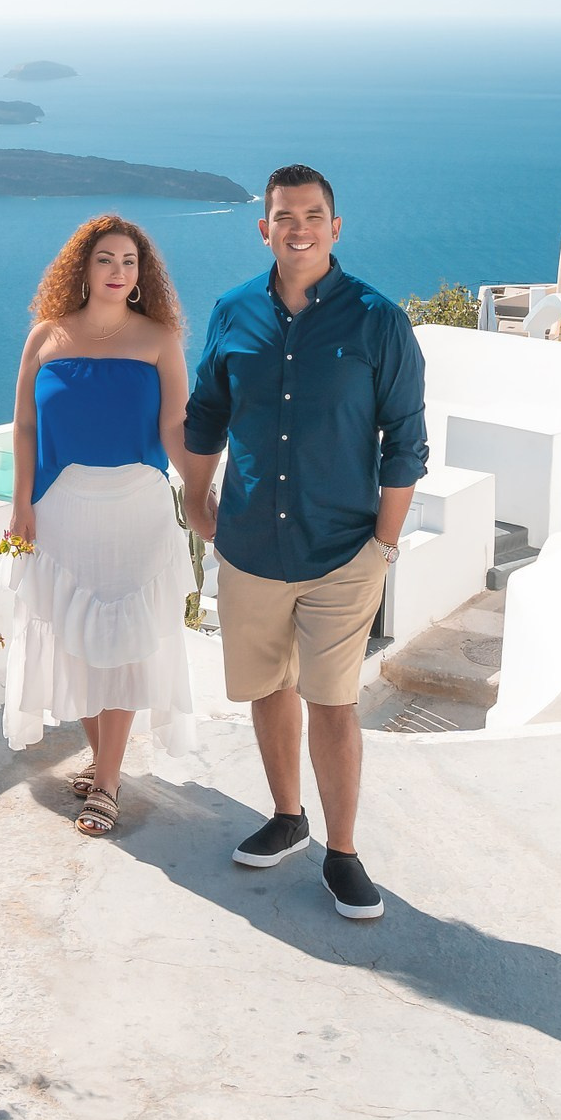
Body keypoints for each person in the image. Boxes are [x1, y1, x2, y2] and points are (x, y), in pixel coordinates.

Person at [179, 164, 427, 919]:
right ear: (265, 228)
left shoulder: (377, 320)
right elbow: (205, 417)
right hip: (250, 543)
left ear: (335, 226)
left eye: (313, 215)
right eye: (285, 216)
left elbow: (406, 440)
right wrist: (196, 497)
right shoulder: (232, 312)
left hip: (342, 550)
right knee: (267, 687)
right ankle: (288, 816)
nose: (299, 228)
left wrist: (383, 543)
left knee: (333, 701)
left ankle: (343, 853)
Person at [1, 213, 201, 836]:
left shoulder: (159, 340)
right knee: (77, 643)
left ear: (142, 276)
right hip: (61, 509)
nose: (118, 271)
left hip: (137, 509)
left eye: (129, 262)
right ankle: (104, 758)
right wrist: (20, 502)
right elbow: (26, 427)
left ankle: (107, 781)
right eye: (106, 259)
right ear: (82, 268)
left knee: (120, 650)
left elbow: (176, 428)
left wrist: (201, 486)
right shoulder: (46, 337)